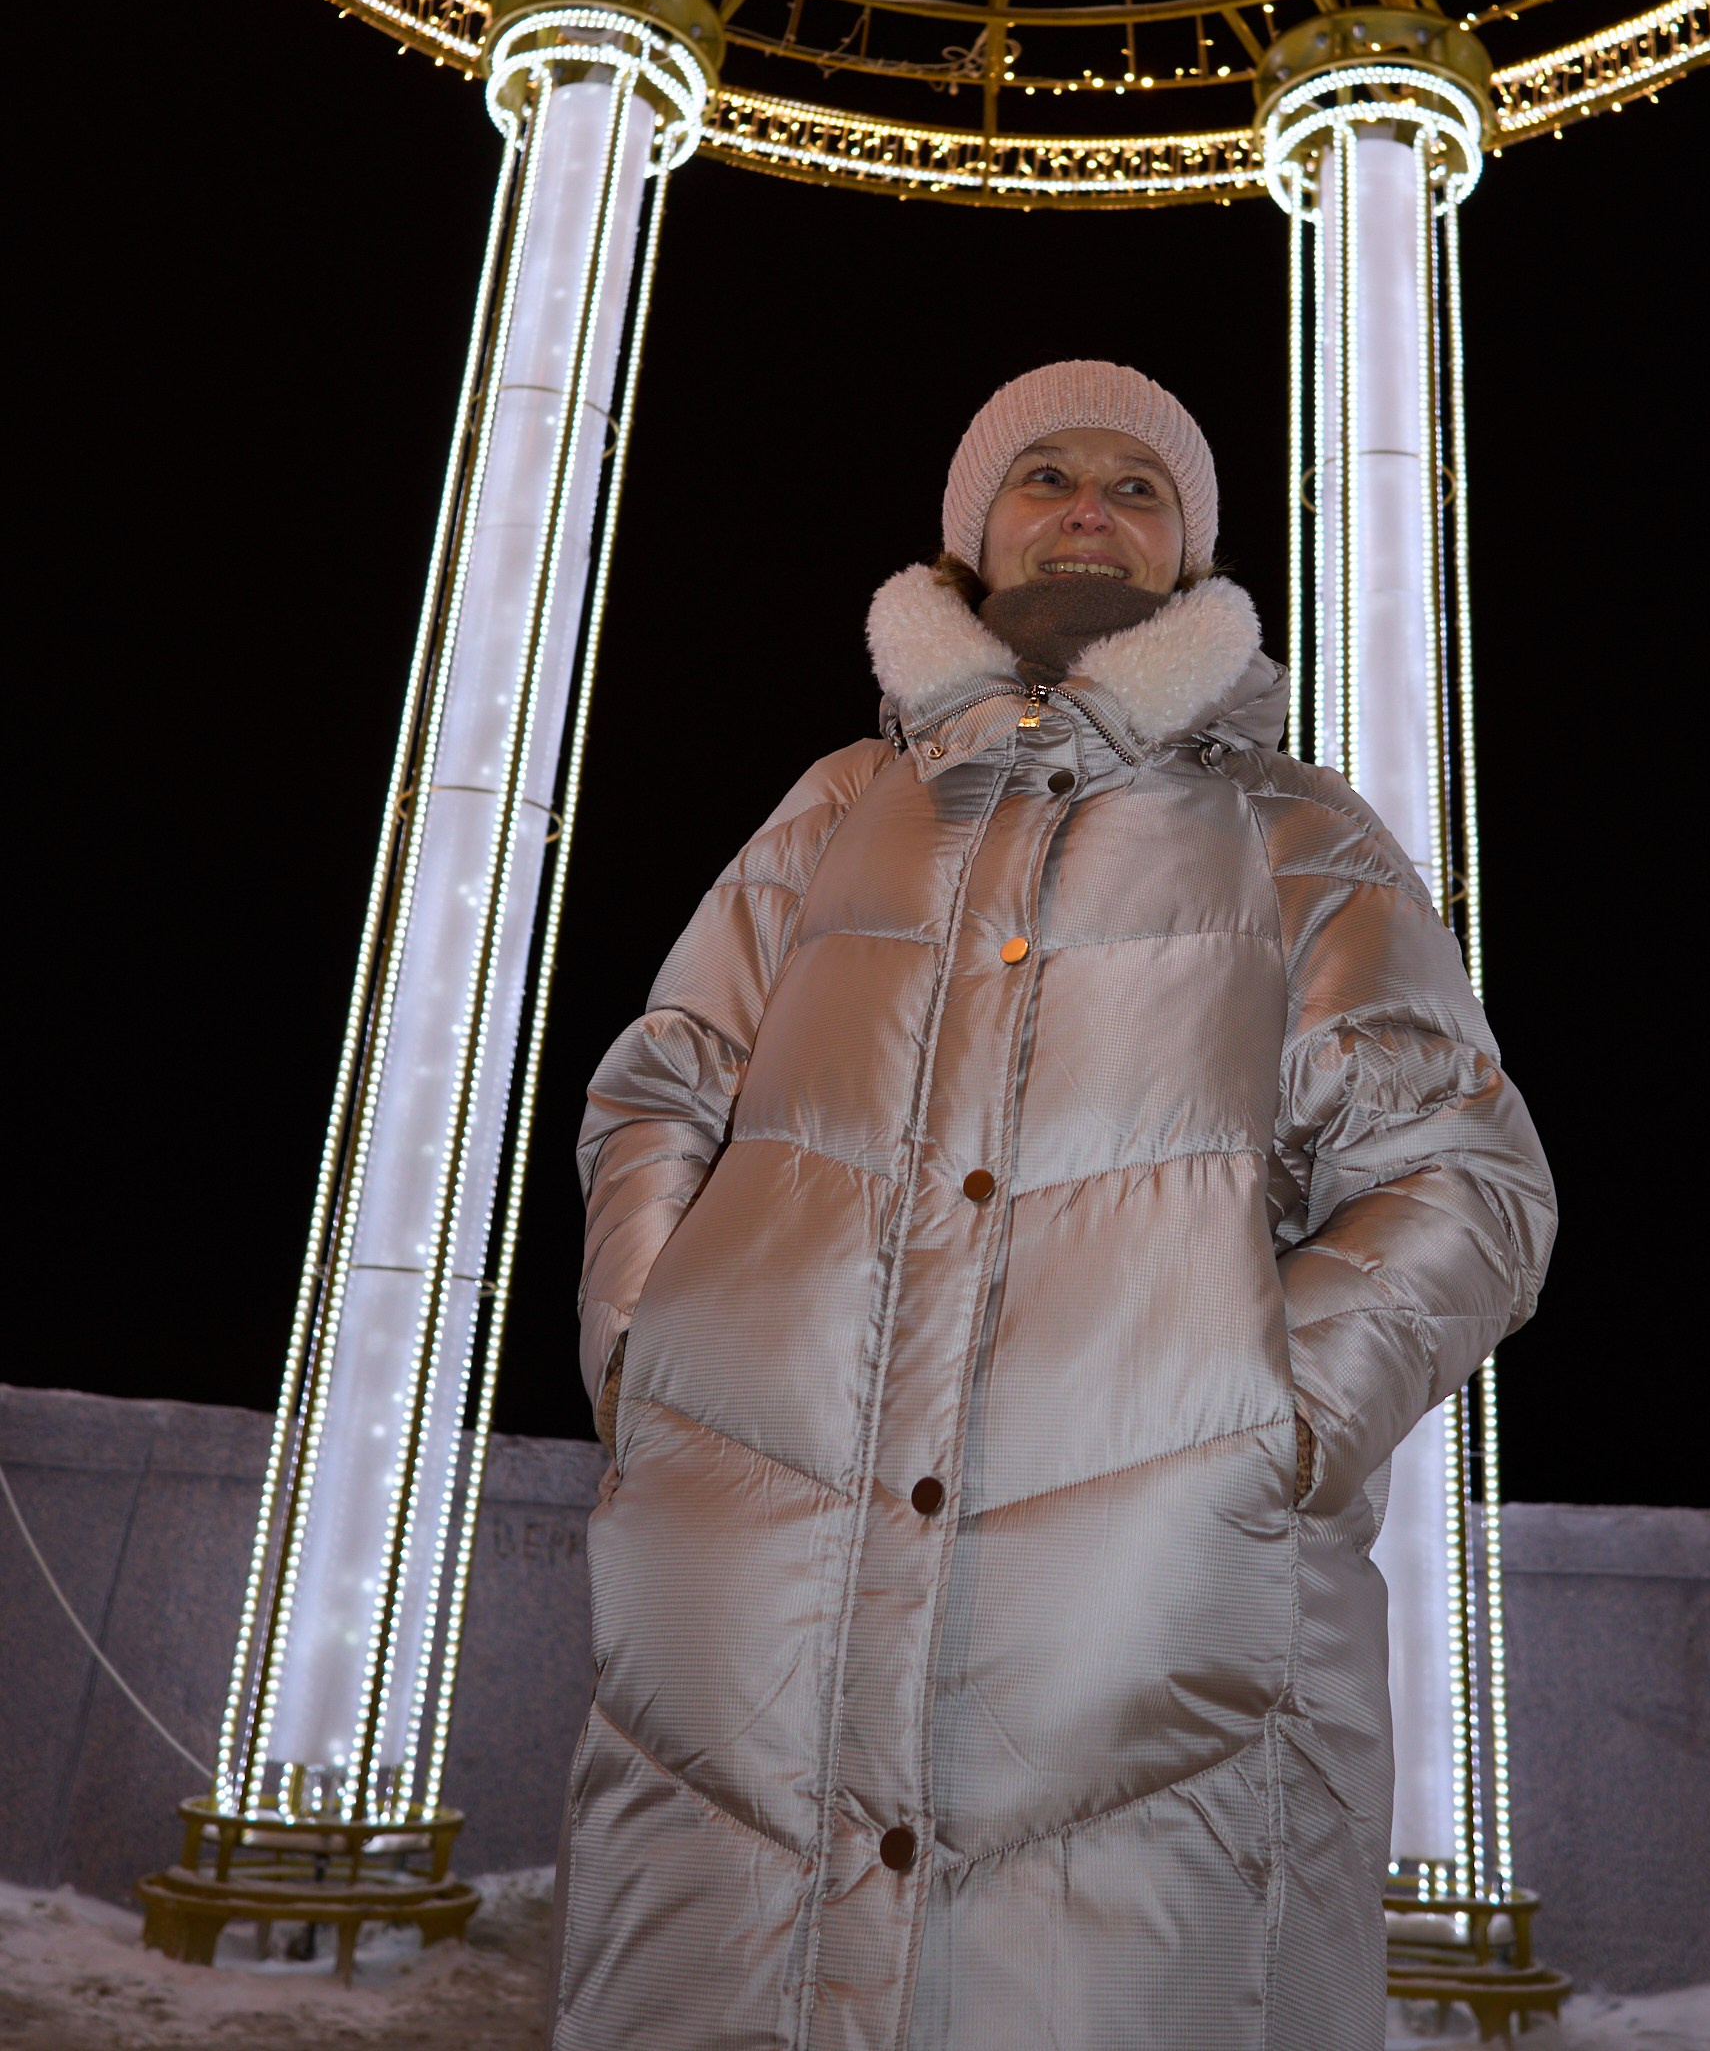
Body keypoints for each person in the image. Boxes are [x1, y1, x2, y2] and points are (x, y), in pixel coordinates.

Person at [554, 360, 1555, 2051]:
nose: (1090, 503)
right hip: (757, 1602)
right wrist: (653, 1368)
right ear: (969, 537)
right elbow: (664, 1093)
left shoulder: (1298, 837)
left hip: (1155, 1646)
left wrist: (1257, 1434)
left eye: (1139, 486)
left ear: (1187, 559)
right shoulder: (831, 816)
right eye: (1045, 473)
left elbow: (1462, 1184)